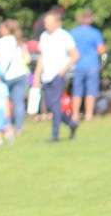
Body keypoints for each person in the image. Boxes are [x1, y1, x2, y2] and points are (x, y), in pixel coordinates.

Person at [34, 10, 79, 142]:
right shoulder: (44, 36)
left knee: (55, 104)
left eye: (49, 22)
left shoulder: (64, 36)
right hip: (46, 75)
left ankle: (55, 135)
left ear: (57, 23)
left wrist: (63, 70)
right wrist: (37, 74)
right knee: (51, 105)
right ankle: (71, 124)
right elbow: (42, 56)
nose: (46, 24)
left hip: (58, 74)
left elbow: (75, 55)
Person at [0, 19, 31, 135]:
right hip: (20, 74)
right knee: (19, 103)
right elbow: (27, 59)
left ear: (7, 29)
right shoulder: (19, 42)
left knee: (4, 102)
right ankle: (19, 128)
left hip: (5, 76)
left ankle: (7, 126)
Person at [69, 9, 106, 121]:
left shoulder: (73, 32)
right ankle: (88, 115)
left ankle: (75, 115)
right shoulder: (95, 33)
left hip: (77, 66)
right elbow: (101, 50)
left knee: (77, 91)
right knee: (91, 91)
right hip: (92, 66)